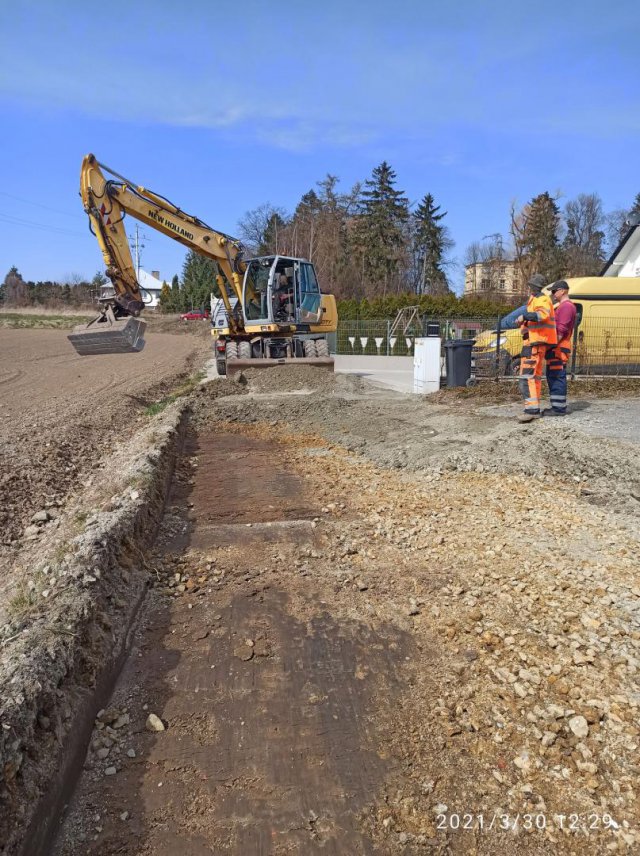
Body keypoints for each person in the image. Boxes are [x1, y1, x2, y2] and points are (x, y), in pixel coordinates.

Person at [516, 273, 557, 423]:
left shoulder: (542, 299)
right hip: (535, 343)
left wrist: (525, 316)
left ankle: (531, 410)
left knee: (526, 378)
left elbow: (542, 315)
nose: (529, 288)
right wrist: (524, 322)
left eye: (530, 285)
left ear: (534, 286)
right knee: (534, 378)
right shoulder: (536, 300)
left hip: (534, 344)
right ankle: (534, 408)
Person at [544, 281, 577, 416]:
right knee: (553, 376)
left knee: (556, 377)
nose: (553, 294)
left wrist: (551, 345)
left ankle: (558, 409)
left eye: (554, 291)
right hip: (558, 347)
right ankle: (558, 406)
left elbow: (561, 330)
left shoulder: (566, 307)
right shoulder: (565, 306)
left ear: (562, 291)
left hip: (558, 348)